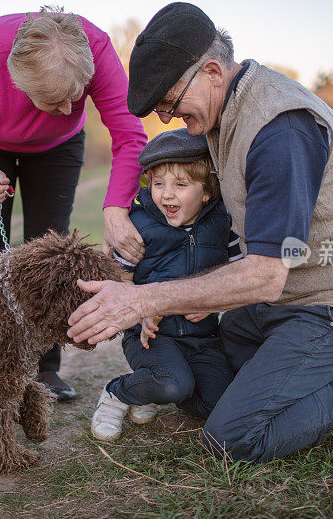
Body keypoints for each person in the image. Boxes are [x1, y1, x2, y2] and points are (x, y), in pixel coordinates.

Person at [68, 2, 333, 461]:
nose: (166, 119)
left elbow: (265, 275)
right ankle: (329, 366)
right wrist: (118, 214)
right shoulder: (223, 115)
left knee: (232, 437)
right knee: (209, 397)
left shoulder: (279, 128)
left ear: (212, 72)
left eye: (169, 103)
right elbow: (169, 183)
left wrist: (143, 299)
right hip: (279, 302)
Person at [0, 6, 148, 400]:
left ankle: (43, 369)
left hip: (58, 149)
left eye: (76, 98)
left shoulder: (98, 50)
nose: (70, 111)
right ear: (19, 83)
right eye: (55, 103)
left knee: (50, 254)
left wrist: (115, 209)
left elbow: (130, 135)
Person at [91, 129, 241, 441]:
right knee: (174, 382)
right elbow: (122, 276)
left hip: (203, 337)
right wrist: (141, 310)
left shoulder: (223, 222)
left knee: (221, 405)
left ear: (207, 191)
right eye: (158, 184)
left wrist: (219, 302)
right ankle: (119, 393)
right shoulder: (140, 224)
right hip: (150, 336)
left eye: (180, 185)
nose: (166, 194)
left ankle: (154, 389)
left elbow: (242, 273)